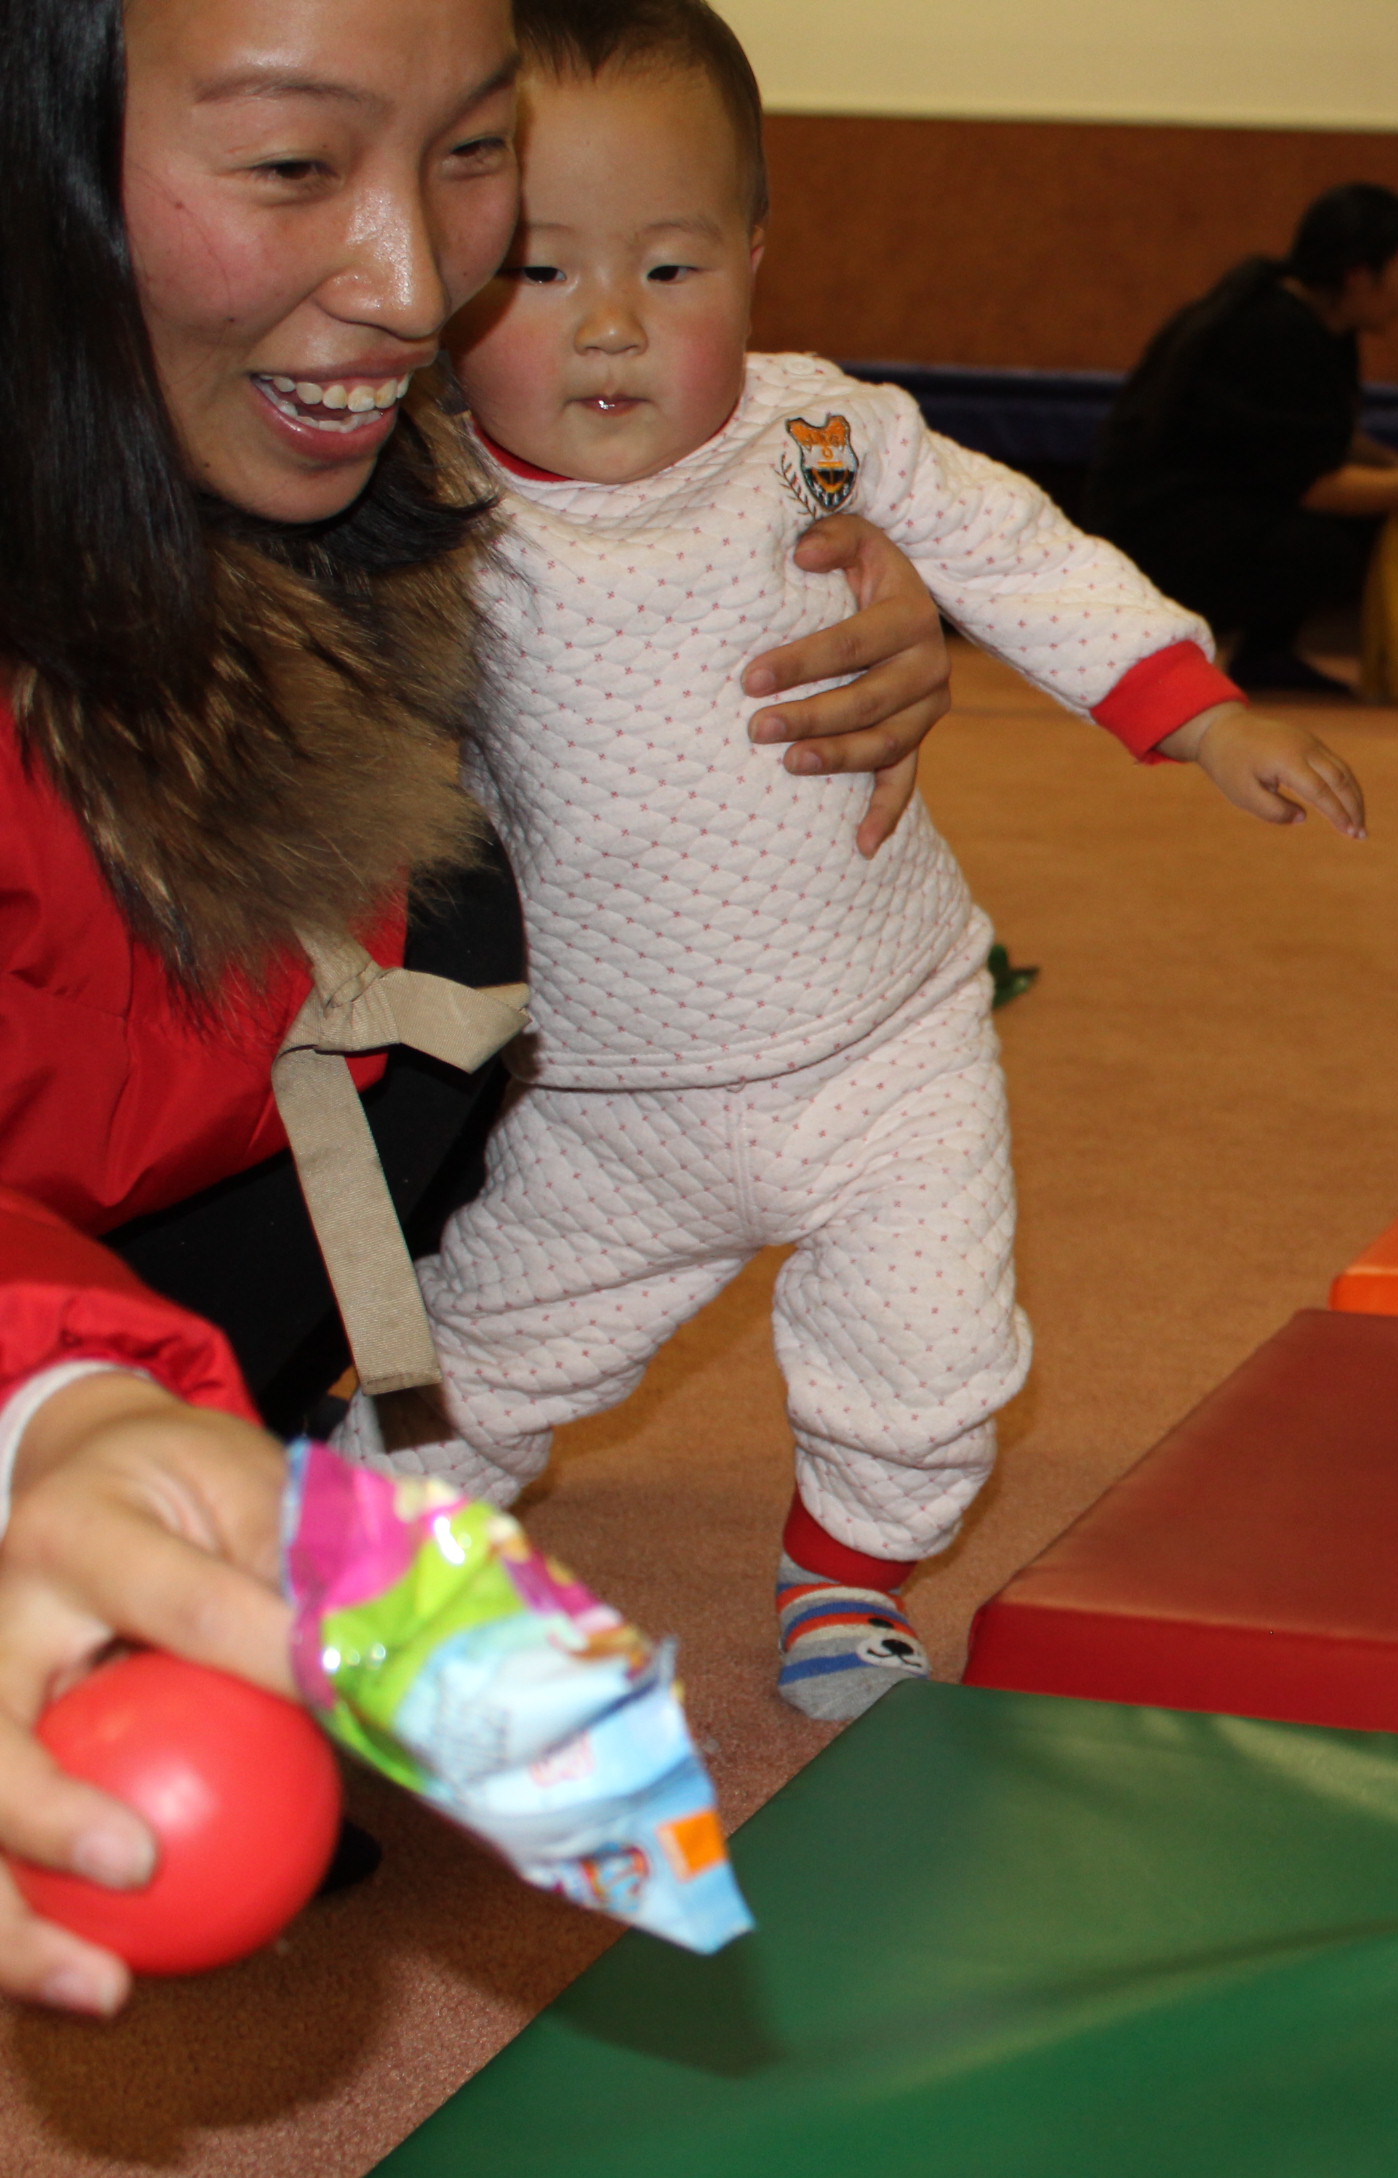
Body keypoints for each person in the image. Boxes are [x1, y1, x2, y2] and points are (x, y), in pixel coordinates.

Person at [0, 0, 954, 2017]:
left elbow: (654, 511)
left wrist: (818, 586)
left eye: (468, 158)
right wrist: (46, 1408)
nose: (419, 285)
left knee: (452, 910)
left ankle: (245, 1445)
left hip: (152, 1131)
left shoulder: (331, 461)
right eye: (289, 165)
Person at [336, 0, 1366, 1723]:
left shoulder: (815, 433)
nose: (606, 325)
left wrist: (1196, 709)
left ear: (752, 249)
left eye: (669, 271)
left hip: (884, 1036)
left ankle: (847, 1565)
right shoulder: (424, 488)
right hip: (599, 1083)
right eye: (534, 272)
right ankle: (348, 1571)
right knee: (468, 1362)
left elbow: (1011, 546)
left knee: (936, 1358)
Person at [1084, 184, 1398, 697]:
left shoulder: (1319, 321)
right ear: (1358, 276)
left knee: (1368, 510)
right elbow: (1316, 485)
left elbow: (1318, 432)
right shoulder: (1274, 332)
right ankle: (1174, 648)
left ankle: (1266, 654)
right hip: (1154, 529)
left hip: (1204, 511)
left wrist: (1396, 467)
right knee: (1325, 543)